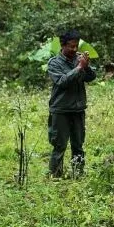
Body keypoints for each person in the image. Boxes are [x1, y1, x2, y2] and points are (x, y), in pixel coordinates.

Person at [47, 30, 96, 178]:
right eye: (71, 46)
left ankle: (78, 175)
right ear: (63, 45)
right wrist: (79, 68)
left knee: (78, 145)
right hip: (60, 110)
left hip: (78, 109)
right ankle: (55, 177)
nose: (74, 50)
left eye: (76, 46)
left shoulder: (78, 59)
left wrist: (86, 66)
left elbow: (91, 77)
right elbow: (62, 81)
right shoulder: (54, 63)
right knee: (59, 146)